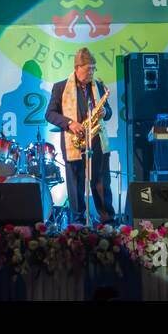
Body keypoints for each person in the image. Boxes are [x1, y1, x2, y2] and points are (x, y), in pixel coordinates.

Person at [46, 47, 115, 224]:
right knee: (75, 184)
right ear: (77, 68)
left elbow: (109, 113)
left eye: (93, 69)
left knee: (101, 181)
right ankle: (77, 220)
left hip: (96, 140)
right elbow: (50, 114)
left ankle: (106, 218)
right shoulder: (61, 87)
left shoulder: (98, 86)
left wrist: (104, 112)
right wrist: (70, 123)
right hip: (74, 141)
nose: (91, 73)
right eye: (88, 69)